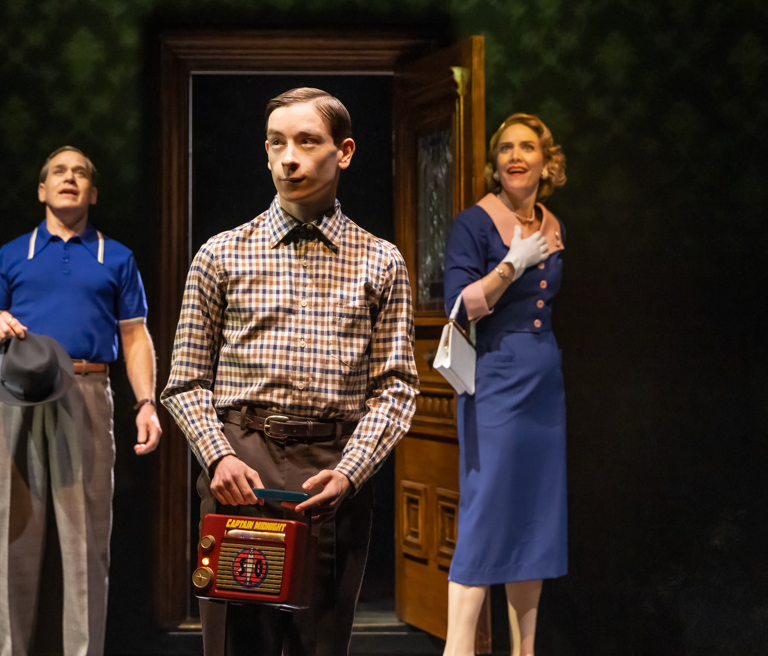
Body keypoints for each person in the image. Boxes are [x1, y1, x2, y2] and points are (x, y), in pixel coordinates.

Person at [161, 87, 418, 656]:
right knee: (236, 644)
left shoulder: (381, 261)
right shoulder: (222, 254)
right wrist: (218, 456)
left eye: (307, 141)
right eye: (277, 143)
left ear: (344, 152)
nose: (289, 157)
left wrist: (350, 473)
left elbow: (397, 388)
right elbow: (184, 381)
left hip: (330, 470)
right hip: (240, 466)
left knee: (319, 643)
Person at [0, 146, 162, 656]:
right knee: (12, 534)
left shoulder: (115, 257)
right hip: (19, 394)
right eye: (59, 171)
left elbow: (136, 335)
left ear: (93, 193)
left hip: (86, 390)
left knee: (85, 544)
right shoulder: (13, 253)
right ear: (42, 189)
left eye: (80, 173)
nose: (69, 178)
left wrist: (145, 402)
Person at [441, 113, 568, 656]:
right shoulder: (475, 223)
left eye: (528, 147)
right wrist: (511, 264)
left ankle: (526, 650)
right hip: (493, 377)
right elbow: (459, 306)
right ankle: (458, 649)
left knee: (535, 515)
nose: (516, 156)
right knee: (487, 509)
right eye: (506, 148)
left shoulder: (553, 223)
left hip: (543, 380)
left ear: (546, 161)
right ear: (496, 164)